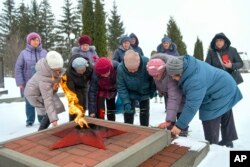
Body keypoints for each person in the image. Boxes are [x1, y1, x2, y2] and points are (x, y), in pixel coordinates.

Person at [166, 55, 242, 147]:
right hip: (224, 83)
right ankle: (228, 140)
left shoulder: (195, 80)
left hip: (222, 89)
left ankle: (213, 146)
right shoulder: (187, 64)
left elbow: (192, 106)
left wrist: (179, 126)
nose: (173, 79)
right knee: (224, 111)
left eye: (174, 76)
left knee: (209, 117)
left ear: (180, 73)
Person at [146, 53, 187, 136]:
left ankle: (182, 131)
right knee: (171, 111)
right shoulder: (156, 70)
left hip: (180, 96)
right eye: (152, 76)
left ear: (163, 71)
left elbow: (174, 98)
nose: (154, 78)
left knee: (180, 111)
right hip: (169, 95)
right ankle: (171, 130)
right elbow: (159, 82)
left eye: (156, 76)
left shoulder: (171, 76)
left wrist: (168, 120)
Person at [24, 51, 65, 131]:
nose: (58, 72)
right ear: (50, 68)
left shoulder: (54, 70)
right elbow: (48, 99)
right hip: (34, 95)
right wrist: (53, 119)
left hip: (48, 91)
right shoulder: (44, 78)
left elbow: (62, 73)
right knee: (49, 112)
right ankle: (40, 132)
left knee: (57, 106)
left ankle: (43, 127)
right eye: (55, 70)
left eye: (59, 69)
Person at [15, 32, 47, 127]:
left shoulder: (44, 52)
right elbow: (18, 68)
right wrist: (20, 82)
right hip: (28, 82)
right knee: (29, 102)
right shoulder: (23, 53)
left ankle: (42, 119)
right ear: (29, 41)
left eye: (37, 40)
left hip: (42, 82)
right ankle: (30, 120)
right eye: (33, 40)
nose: (35, 42)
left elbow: (49, 66)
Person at [117, 50, 156, 126]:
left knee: (144, 112)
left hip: (144, 91)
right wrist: (126, 102)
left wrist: (152, 89)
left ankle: (144, 130)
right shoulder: (120, 69)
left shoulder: (146, 62)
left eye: (135, 69)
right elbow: (121, 87)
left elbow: (152, 78)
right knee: (128, 112)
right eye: (130, 70)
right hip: (129, 93)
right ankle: (128, 131)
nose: (132, 71)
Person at [64, 55, 93, 122]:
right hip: (74, 88)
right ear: (75, 69)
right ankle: (72, 122)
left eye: (83, 70)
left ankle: (81, 121)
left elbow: (93, 79)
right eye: (80, 71)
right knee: (75, 105)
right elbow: (71, 93)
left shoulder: (89, 68)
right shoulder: (69, 74)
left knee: (83, 105)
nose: (82, 72)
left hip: (84, 86)